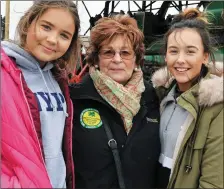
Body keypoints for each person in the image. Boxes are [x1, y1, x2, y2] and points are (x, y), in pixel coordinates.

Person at [70, 15, 160, 188]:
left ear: (136, 60)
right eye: (108, 52)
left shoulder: (153, 99)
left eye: (125, 53)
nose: (117, 59)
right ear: (96, 59)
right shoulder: (75, 99)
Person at [1, 0, 80, 188]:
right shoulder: (5, 73)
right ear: (29, 23)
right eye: (46, 27)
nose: (52, 39)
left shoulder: (58, 79)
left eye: (64, 35)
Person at [151, 8, 223, 188]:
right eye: (173, 51)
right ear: (166, 56)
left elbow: (213, 182)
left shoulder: (216, 107)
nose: (180, 60)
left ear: (205, 57)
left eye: (190, 52)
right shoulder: (158, 96)